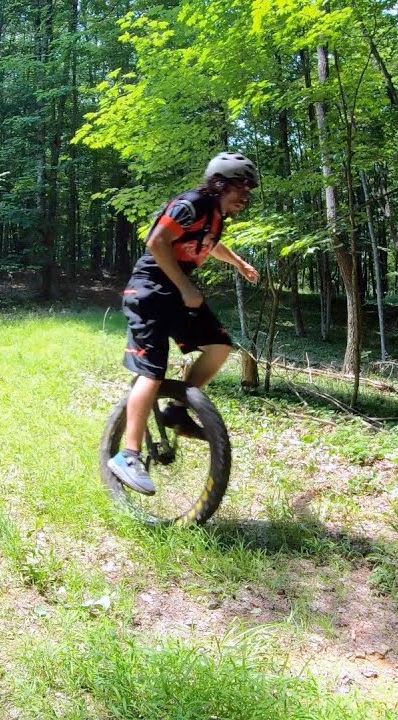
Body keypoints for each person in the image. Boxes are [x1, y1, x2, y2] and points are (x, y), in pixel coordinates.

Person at [107, 152, 260, 495]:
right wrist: (186, 286)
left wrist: (238, 263)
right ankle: (127, 456)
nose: (246, 196)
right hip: (148, 290)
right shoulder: (190, 204)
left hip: (176, 292)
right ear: (221, 182)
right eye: (242, 187)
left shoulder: (215, 217)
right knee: (152, 371)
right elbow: (157, 242)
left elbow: (211, 245)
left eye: (250, 189)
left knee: (220, 346)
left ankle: (177, 411)